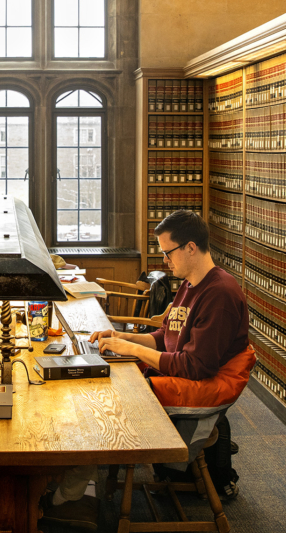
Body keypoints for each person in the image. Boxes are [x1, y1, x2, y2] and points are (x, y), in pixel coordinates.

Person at [91, 210, 250, 497]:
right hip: (180, 373)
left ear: (190, 247)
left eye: (168, 253)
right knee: (104, 378)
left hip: (200, 386)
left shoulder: (220, 295)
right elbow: (166, 336)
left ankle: (78, 481)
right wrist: (121, 336)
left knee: (112, 397)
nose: (165, 261)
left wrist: (132, 349)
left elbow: (195, 366)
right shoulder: (190, 284)